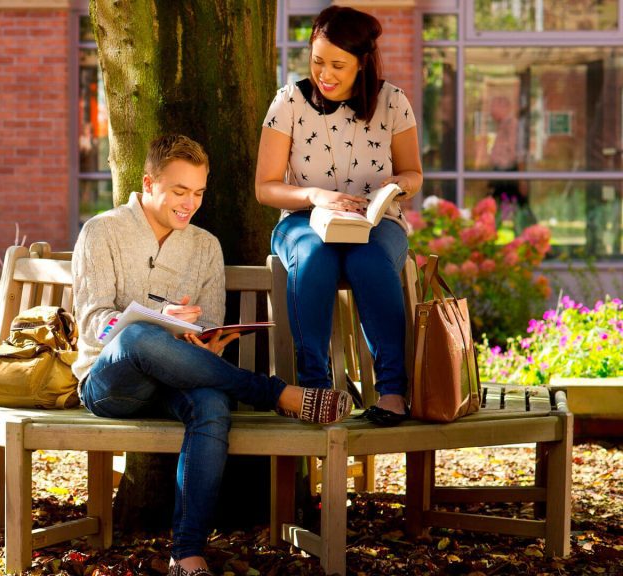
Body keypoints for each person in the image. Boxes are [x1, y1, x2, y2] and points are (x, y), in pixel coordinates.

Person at [73, 134, 353, 576]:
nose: (190, 204)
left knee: (212, 403)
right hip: (112, 384)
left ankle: (186, 555)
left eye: (199, 193)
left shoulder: (205, 246)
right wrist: (158, 317)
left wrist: (206, 341)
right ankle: (276, 394)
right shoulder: (102, 231)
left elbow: (209, 328)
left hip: (177, 378)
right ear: (149, 183)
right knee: (139, 336)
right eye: (179, 191)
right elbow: (93, 325)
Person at [254, 5, 424, 426]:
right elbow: (266, 187)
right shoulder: (289, 101)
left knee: (368, 262)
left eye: (338, 65)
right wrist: (315, 195)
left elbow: (413, 173)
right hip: (303, 220)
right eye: (317, 61)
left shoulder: (392, 102)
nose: (324, 74)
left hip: (377, 222)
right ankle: (316, 389)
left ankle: (392, 392)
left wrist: (393, 189)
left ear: (362, 63)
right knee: (314, 259)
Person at [488, 95, 536, 231]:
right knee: (499, 209)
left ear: (504, 107)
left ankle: (528, 235)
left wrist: (521, 179)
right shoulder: (503, 125)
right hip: (502, 174)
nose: (491, 111)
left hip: (508, 174)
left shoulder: (512, 125)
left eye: (494, 106)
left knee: (517, 209)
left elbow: (518, 153)